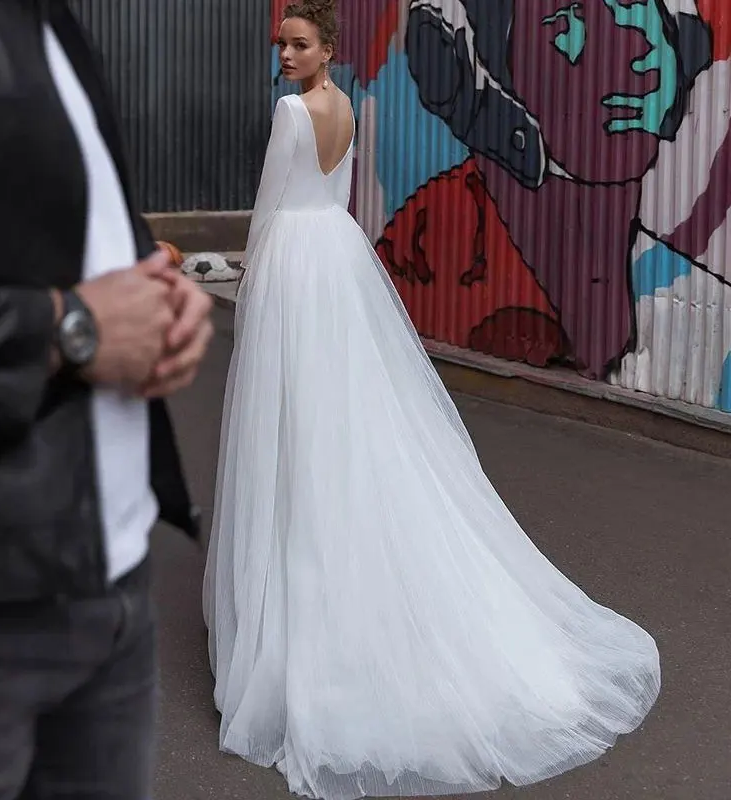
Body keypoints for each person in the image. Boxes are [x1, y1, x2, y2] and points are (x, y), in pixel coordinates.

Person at [202, 1, 660, 798]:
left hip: (296, 265)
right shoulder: (345, 107)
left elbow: (272, 205)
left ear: (327, 48)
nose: (286, 55)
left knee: (297, 423)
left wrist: (251, 275)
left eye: (299, 44)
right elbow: (338, 195)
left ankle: (303, 590)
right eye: (282, 44)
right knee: (348, 416)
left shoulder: (292, 112)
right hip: (340, 260)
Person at [0, 1, 212, 798]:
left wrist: (163, 300)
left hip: (113, 587)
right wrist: (71, 329)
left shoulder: (49, 20)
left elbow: (54, 230)